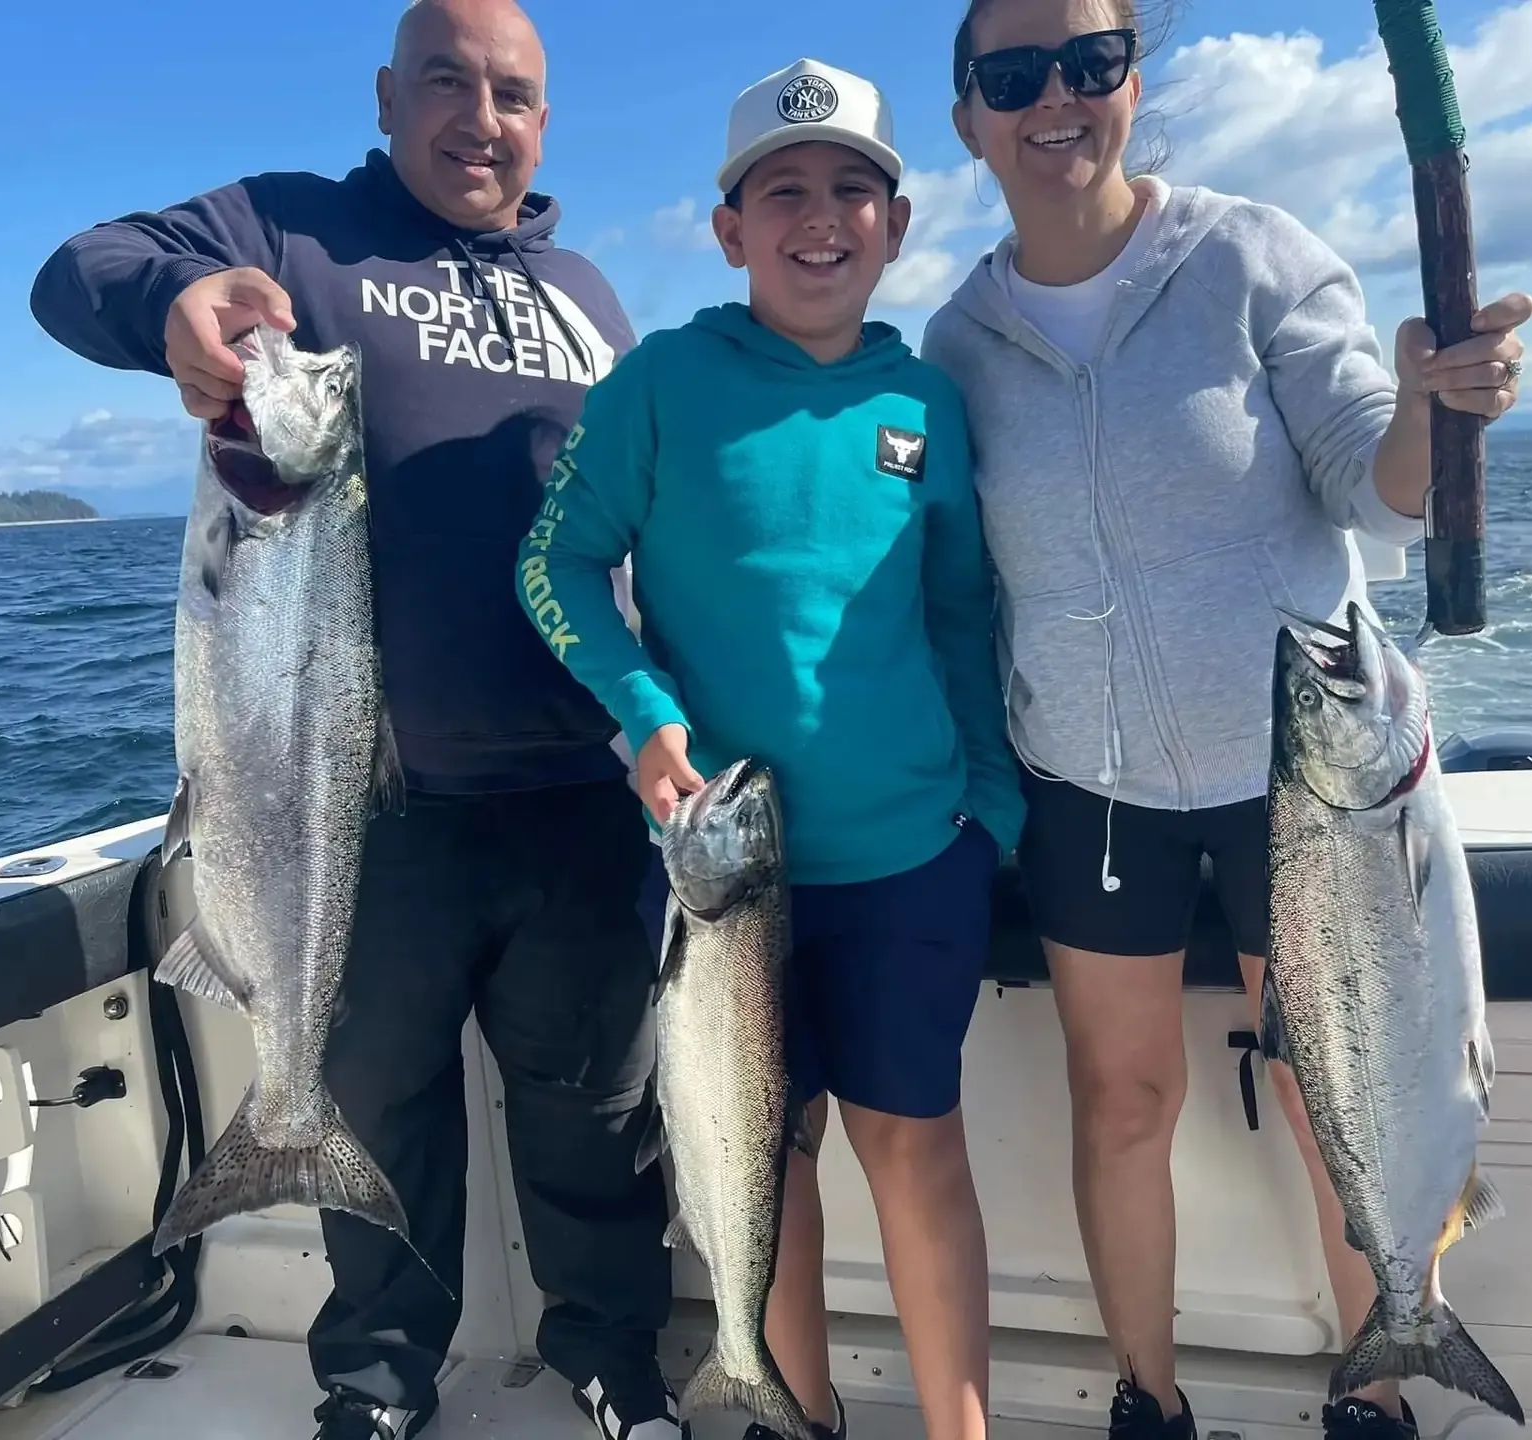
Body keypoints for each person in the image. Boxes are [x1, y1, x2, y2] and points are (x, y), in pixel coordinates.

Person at [27, 4, 687, 1439]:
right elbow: (76, 273)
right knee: (377, 1110)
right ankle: (378, 1382)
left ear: (545, 122)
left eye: (513, 93)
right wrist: (174, 314)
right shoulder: (288, 231)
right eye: (446, 81)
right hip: (357, 805)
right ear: (387, 96)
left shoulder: (583, 290)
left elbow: (643, 530)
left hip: (579, 798)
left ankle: (616, 1366)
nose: (480, 115)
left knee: (595, 1120)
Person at [920, 3, 1532, 1438]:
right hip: (1093, 783)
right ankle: (1148, 1398)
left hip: (1313, 784)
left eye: (1092, 61)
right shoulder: (956, 341)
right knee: (1121, 1104)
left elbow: (1373, 484)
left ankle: (1379, 1388)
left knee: (1346, 1103)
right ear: (968, 119)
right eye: (1015, 77)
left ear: (1135, 79)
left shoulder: (1247, 259)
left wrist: (1441, 416)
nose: (1056, 99)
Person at [513, 57, 1027, 1440]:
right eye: (782, 191)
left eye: (853, 190)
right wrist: (642, 711)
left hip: (916, 855)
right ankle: (790, 1415)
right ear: (729, 229)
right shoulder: (663, 383)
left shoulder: (928, 405)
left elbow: (964, 616)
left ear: (898, 225)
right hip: (721, 882)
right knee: (768, 1160)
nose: (820, 217)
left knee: (917, 1151)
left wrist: (992, 810)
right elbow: (557, 563)